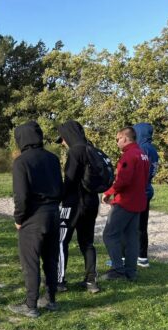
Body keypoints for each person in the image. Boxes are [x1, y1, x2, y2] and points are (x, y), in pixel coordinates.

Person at [9, 121, 63, 318]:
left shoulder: (21, 162)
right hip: (53, 213)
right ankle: (51, 299)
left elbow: (21, 195)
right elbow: (60, 185)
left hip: (33, 216)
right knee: (50, 258)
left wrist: (18, 218)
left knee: (30, 261)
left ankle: (31, 304)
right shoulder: (53, 159)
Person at [55, 120, 101, 294]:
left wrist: (59, 196)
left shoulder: (75, 151)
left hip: (74, 203)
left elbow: (70, 179)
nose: (63, 143)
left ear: (69, 135)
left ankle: (59, 281)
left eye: (63, 139)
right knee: (87, 242)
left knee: (61, 240)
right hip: (92, 202)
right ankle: (91, 281)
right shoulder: (91, 148)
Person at [102, 127, 150, 281]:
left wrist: (108, 192)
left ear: (125, 138)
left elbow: (123, 180)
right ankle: (131, 271)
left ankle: (118, 269)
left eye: (118, 139)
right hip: (139, 201)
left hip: (125, 201)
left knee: (109, 234)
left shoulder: (129, 156)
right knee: (131, 237)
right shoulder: (143, 155)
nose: (117, 143)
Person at [133, 123, 159, 268]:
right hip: (147, 190)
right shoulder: (152, 149)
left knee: (132, 226)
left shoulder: (142, 149)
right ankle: (142, 257)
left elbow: (141, 172)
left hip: (139, 192)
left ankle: (129, 257)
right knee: (142, 226)